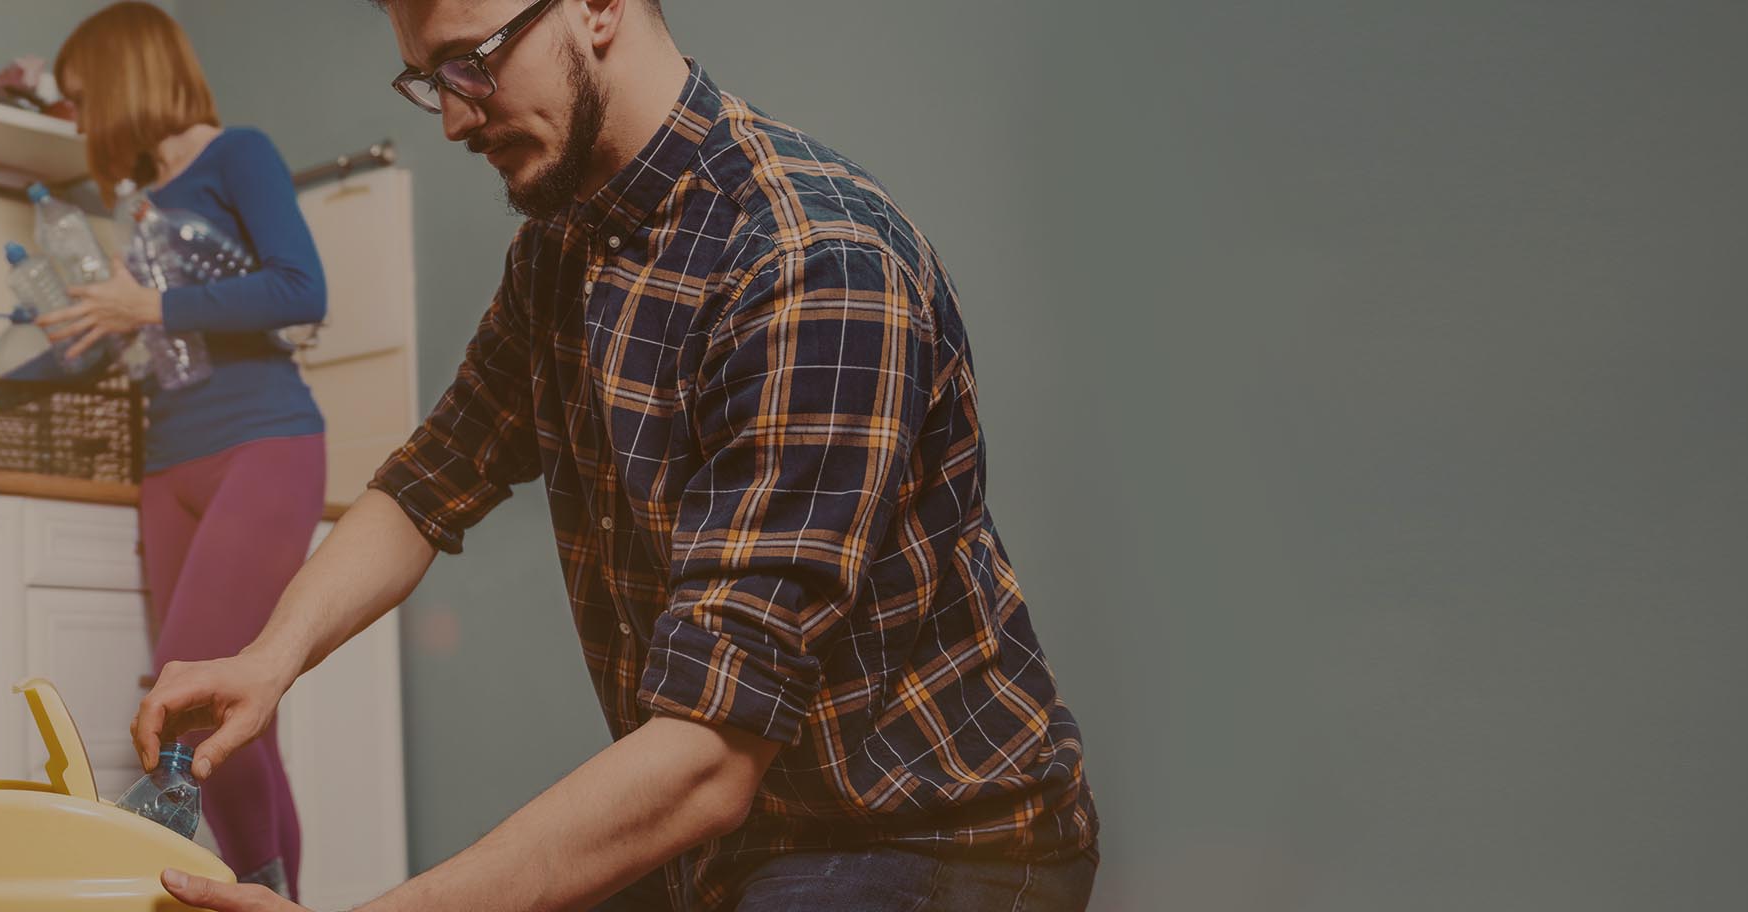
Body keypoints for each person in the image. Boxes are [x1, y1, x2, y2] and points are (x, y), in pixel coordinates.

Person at [133, 0, 1096, 909]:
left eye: (473, 61)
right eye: (430, 80)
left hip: (929, 837)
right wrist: (266, 662)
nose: (454, 122)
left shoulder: (811, 265)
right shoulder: (563, 245)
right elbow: (426, 485)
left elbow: (710, 756)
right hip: (733, 825)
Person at [45, 1, 327, 895]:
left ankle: (264, 899)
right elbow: (151, 337)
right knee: (239, 721)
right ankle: (278, 899)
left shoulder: (238, 152)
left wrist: (151, 307)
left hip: (263, 444)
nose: (79, 119)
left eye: (83, 97)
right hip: (169, 463)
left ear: (127, 78)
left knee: (200, 709)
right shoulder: (138, 205)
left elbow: (299, 287)